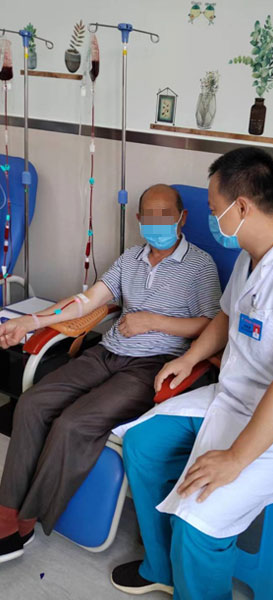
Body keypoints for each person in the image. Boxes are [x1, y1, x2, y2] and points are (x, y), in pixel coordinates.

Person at [111, 148, 273, 599]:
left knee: (199, 520)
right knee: (141, 443)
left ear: (242, 207)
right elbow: (226, 316)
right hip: (234, 396)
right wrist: (188, 358)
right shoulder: (249, 257)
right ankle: (162, 566)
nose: (213, 219)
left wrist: (235, 458)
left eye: (214, 209)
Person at [0, 184, 221, 563]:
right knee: (33, 403)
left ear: (182, 218)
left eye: (166, 216)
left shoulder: (200, 266)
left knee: (73, 423)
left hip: (152, 366)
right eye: (150, 216)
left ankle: (26, 520)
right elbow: (87, 301)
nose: (158, 224)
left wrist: (153, 321)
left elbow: (212, 324)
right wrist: (31, 321)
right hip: (106, 353)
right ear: (139, 220)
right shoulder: (130, 258)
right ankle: (5, 514)